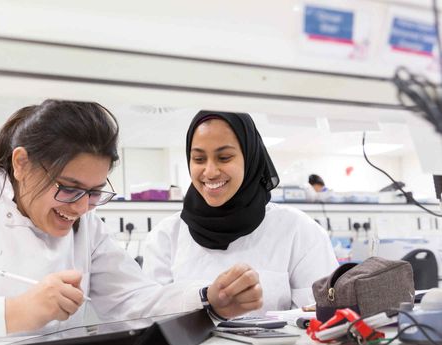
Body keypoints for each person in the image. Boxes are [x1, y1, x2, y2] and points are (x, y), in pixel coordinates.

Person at [0, 101, 262, 341]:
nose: (80, 207)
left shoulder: (86, 227)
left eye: (94, 192)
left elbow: (135, 301)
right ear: (22, 163)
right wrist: (13, 312)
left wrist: (208, 298)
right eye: (69, 188)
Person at [142, 111, 337, 314]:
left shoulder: (299, 231)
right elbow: (152, 318)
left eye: (224, 157)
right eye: (199, 159)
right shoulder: (166, 236)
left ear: (250, 157)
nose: (209, 171)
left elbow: (320, 316)